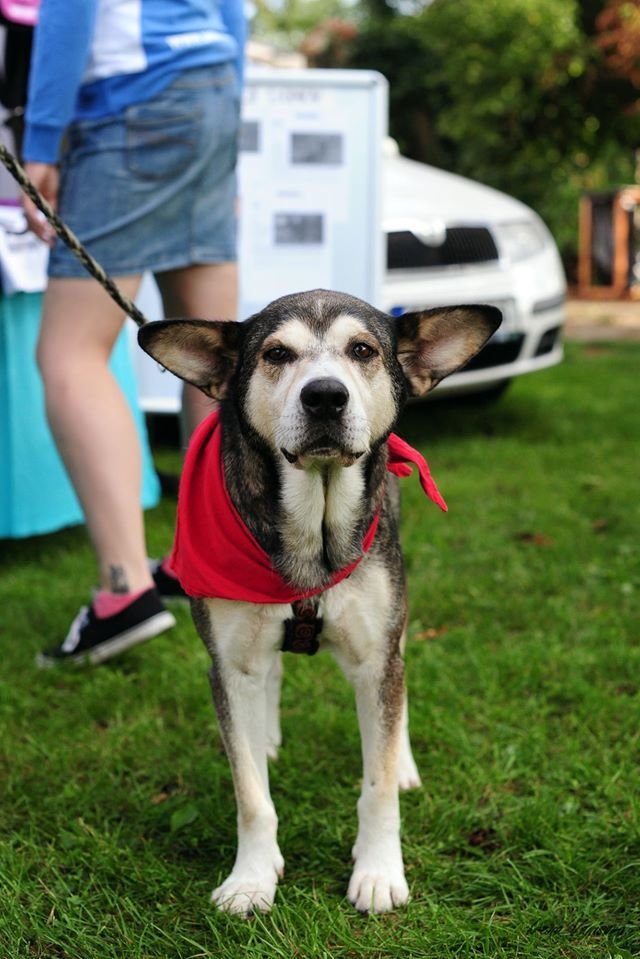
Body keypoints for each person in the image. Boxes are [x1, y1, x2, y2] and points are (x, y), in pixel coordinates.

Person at [21, 0, 246, 666]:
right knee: (211, 355)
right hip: (213, 88)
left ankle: (125, 591)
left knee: (69, 353)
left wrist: (40, 141)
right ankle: (205, 565)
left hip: (133, 102)